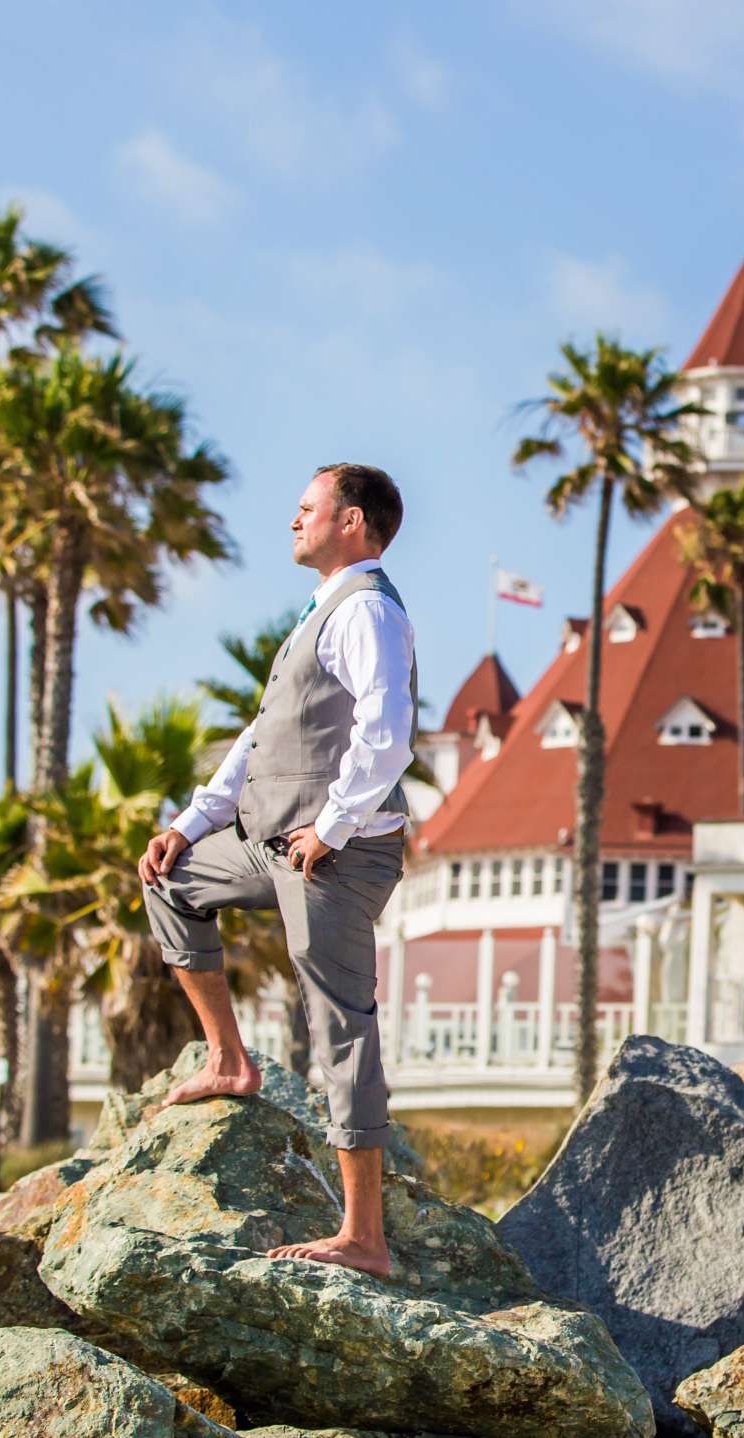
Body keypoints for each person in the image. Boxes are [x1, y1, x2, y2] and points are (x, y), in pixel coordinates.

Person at [136, 463, 418, 1278]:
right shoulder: (322, 610)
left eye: (307, 509)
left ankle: (366, 1238)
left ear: (353, 522)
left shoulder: (368, 609)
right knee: (170, 880)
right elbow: (263, 738)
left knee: (340, 1024)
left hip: (338, 851)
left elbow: (387, 732)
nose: (292, 522)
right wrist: (189, 827)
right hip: (279, 842)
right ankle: (229, 1059)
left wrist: (330, 829)